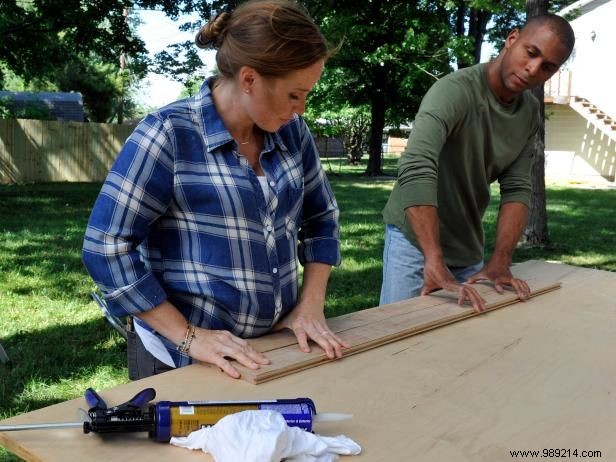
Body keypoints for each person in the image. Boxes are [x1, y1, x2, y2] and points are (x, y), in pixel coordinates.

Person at [82, 0, 349, 380]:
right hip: (180, 358)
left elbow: (322, 218)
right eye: (294, 95)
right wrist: (189, 337)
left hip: (273, 348)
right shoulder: (168, 135)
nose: (301, 109)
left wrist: (311, 304)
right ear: (249, 79)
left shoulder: (292, 133)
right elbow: (105, 247)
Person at [380, 14, 575, 312]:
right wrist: (433, 258)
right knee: (395, 343)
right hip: (415, 245)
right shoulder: (454, 91)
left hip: (467, 247)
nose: (533, 69)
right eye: (531, 53)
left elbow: (518, 187)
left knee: (463, 348)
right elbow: (416, 166)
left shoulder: (529, 113)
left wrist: (501, 260)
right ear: (512, 40)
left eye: (547, 67)